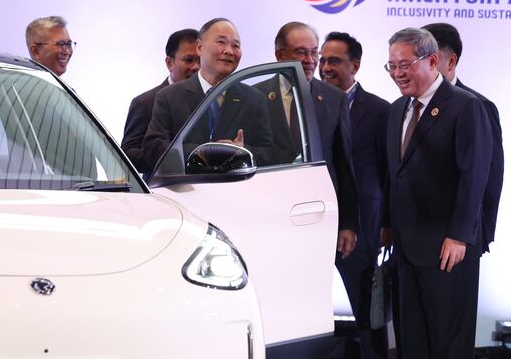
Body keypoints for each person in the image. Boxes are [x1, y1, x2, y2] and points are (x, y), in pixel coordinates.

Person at [381, 27, 491, 358]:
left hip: (446, 247)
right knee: (412, 342)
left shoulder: (465, 106)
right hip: (406, 246)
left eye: (405, 65)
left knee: (447, 344)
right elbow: (394, 173)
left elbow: (474, 176)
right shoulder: (397, 109)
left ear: (432, 61)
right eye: (391, 66)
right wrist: (387, 224)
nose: (397, 74)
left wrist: (459, 236)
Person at [260, 21, 358, 258]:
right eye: (301, 52)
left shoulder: (335, 99)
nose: (310, 60)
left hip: (318, 213)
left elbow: (343, 164)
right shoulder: (255, 95)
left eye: (314, 52)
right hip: (268, 214)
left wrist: (347, 223)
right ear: (280, 55)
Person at [319, 32, 390, 358]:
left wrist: (387, 223)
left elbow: (389, 174)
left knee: (368, 315)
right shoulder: (310, 104)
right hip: (313, 223)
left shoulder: (379, 111)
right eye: (322, 60)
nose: (325, 67)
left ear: (356, 65)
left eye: (334, 61)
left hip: (362, 228)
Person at [143, 18, 273, 169]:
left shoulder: (254, 99)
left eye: (236, 45)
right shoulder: (169, 96)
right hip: (185, 182)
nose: (229, 51)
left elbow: (268, 153)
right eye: (221, 42)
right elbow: (153, 148)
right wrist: (207, 153)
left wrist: (242, 151)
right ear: (199, 47)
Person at [422, 22, 504, 253]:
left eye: (431, 59)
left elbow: (490, 177)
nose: (424, 66)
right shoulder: (409, 105)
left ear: (451, 61)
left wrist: (480, 235)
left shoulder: (479, 105)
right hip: (414, 233)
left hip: (458, 238)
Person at [121, 29, 199, 174]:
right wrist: (174, 160)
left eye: (200, 60)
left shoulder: (210, 98)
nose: (196, 67)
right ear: (169, 63)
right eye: (188, 60)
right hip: (161, 185)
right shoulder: (144, 102)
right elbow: (128, 154)